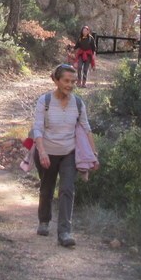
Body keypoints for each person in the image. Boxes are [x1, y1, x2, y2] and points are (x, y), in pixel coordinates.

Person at [32, 63, 98, 247]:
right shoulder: (44, 101)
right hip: (46, 151)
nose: (70, 85)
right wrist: (42, 151)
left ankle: (65, 232)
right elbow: (37, 128)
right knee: (47, 188)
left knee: (67, 189)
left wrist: (94, 154)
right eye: (66, 81)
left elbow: (86, 128)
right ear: (56, 80)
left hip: (69, 152)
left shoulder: (78, 103)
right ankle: (44, 221)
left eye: (73, 81)